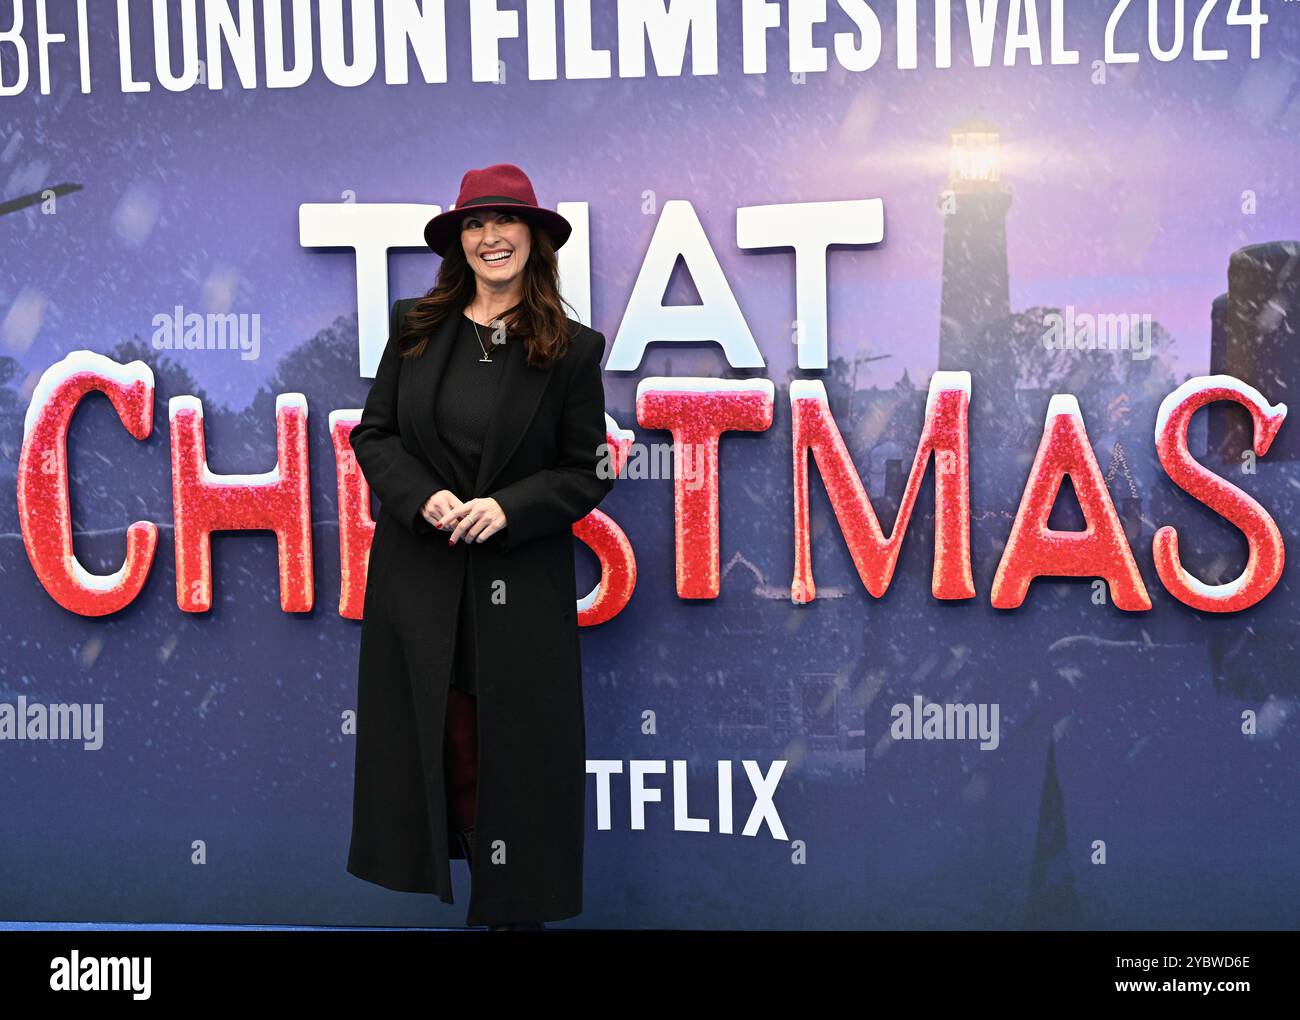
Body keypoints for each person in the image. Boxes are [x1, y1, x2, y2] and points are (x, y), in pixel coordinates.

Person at [347, 164, 615, 930]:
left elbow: (588, 466)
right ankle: (474, 895)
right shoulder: (416, 328)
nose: (489, 237)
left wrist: (509, 507)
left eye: (505, 222)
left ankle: (512, 916)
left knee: (516, 765)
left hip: (517, 591)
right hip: (421, 582)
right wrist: (417, 495)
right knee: (450, 748)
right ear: (458, 240)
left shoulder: (570, 349)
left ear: (534, 238)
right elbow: (375, 435)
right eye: (474, 224)